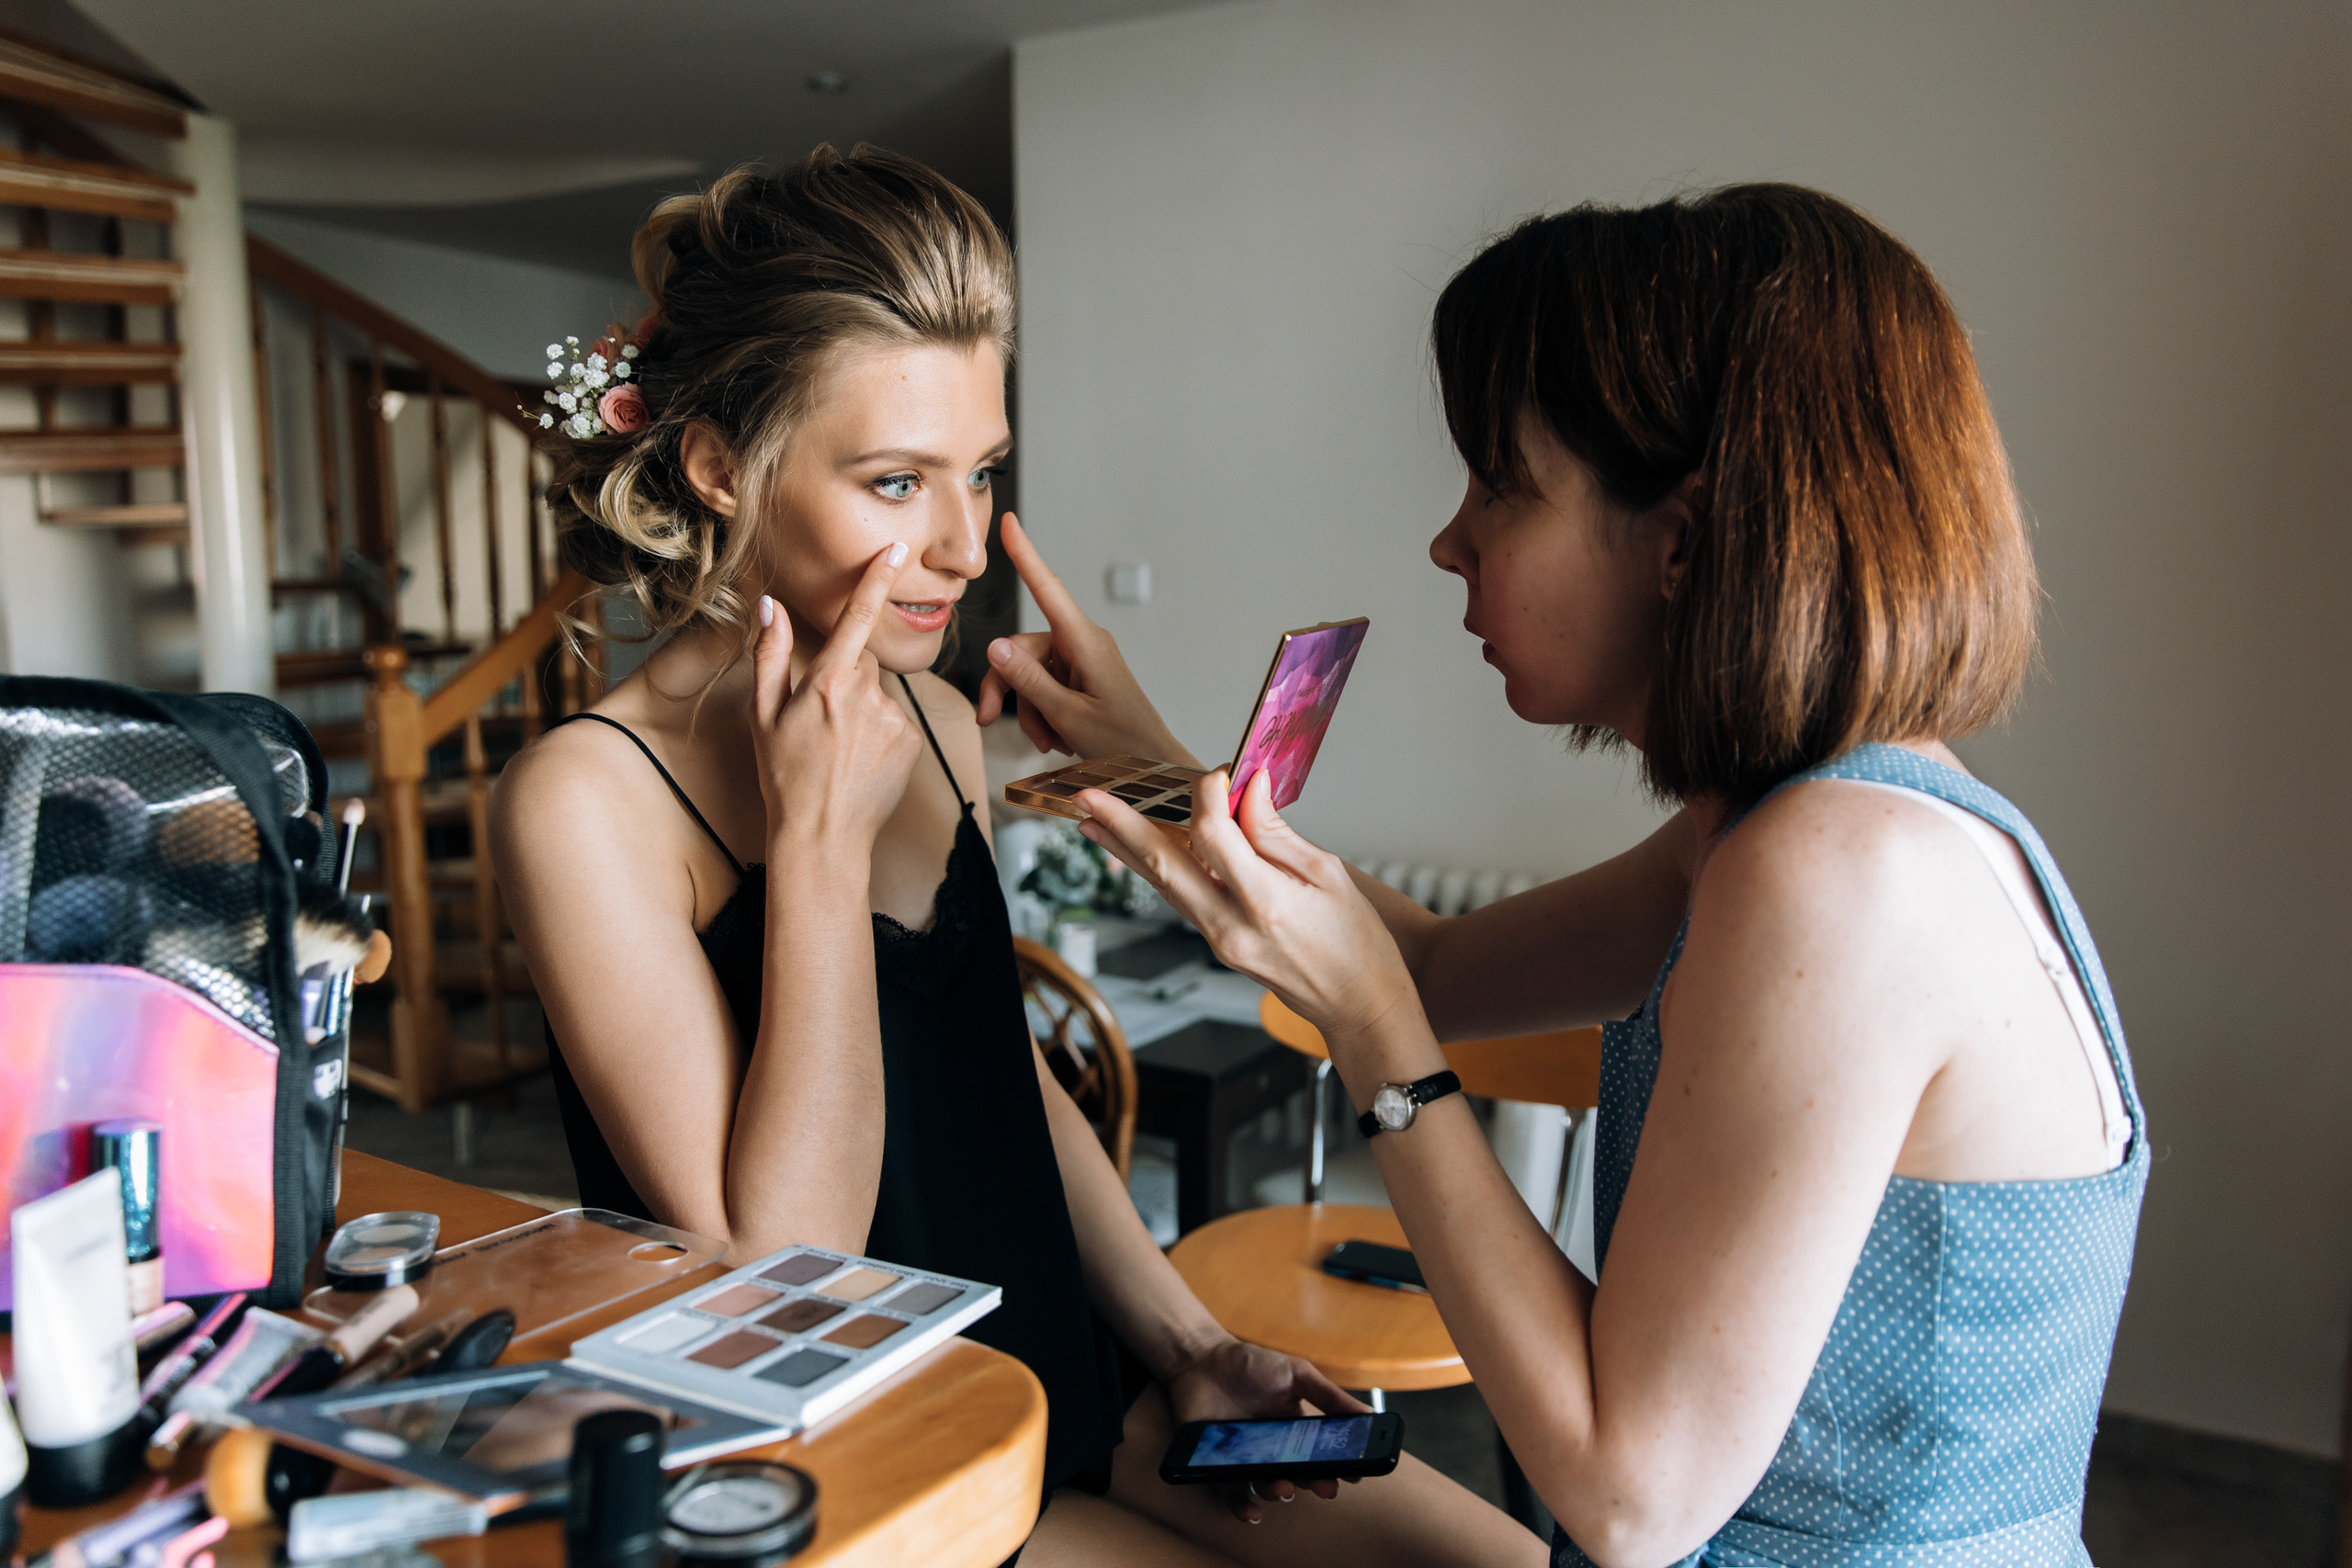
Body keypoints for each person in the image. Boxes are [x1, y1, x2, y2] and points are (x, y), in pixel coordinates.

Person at [984, 185, 2144, 1568]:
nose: (1449, 541)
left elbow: (1629, 1498)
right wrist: (1152, 765)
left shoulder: (1837, 879)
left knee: (1054, 1530)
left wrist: (1376, 1046)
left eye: (1500, 487)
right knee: (1139, 1457)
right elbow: (1428, 968)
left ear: (1684, 536)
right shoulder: (1796, 826)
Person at [491, 145, 1544, 1568]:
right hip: (857, 1468)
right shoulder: (586, 803)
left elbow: (1007, 1075)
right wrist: (815, 846)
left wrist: (1190, 1341)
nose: (961, 545)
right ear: (720, 467)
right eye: (892, 481)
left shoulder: (936, 720)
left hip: (1068, 1380)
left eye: (981, 472)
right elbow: (783, 1269)